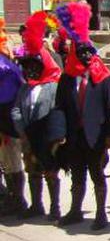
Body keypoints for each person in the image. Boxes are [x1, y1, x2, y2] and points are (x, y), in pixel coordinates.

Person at [53, 3, 110, 230]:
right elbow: (60, 106)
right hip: (74, 135)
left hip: (96, 135)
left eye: (86, 51)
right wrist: (59, 134)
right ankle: (75, 210)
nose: (83, 56)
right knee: (77, 175)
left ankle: (101, 213)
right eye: (78, 51)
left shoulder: (104, 78)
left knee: (97, 175)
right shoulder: (67, 79)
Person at [11, 11, 64, 220]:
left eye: (34, 67)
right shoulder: (24, 88)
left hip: (47, 138)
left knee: (50, 172)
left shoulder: (53, 87)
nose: (30, 71)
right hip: (27, 136)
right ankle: (36, 205)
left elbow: (56, 111)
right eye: (28, 67)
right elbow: (16, 109)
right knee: (32, 171)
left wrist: (55, 135)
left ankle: (55, 207)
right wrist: (21, 129)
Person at [0, 18, 26, 216]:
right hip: (6, 121)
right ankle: (11, 197)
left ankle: (16, 199)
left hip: (8, 124)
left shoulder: (7, 68)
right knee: (8, 162)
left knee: (11, 161)